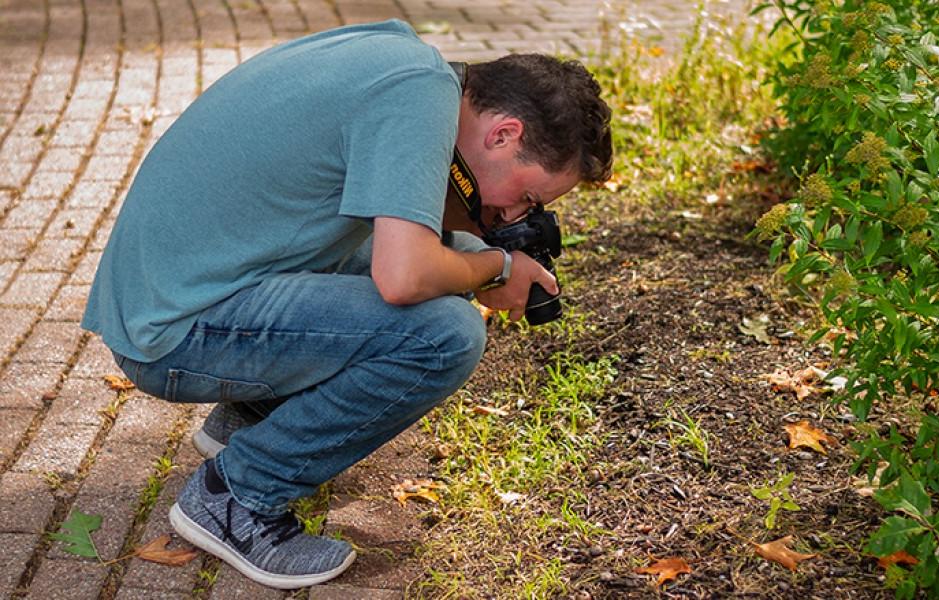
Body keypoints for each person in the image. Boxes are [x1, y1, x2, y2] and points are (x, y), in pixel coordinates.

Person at [80, 19, 611, 589]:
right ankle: (237, 496)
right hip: (173, 329)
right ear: (503, 135)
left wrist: (474, 256)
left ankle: (251, 421)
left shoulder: (407, 64)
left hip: (170, 290)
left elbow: (395, 237)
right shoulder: (416, 101)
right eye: (525, 197)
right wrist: (496, 267)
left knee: (433, 264)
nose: (511, 218)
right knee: (444, 334)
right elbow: (402, 277)